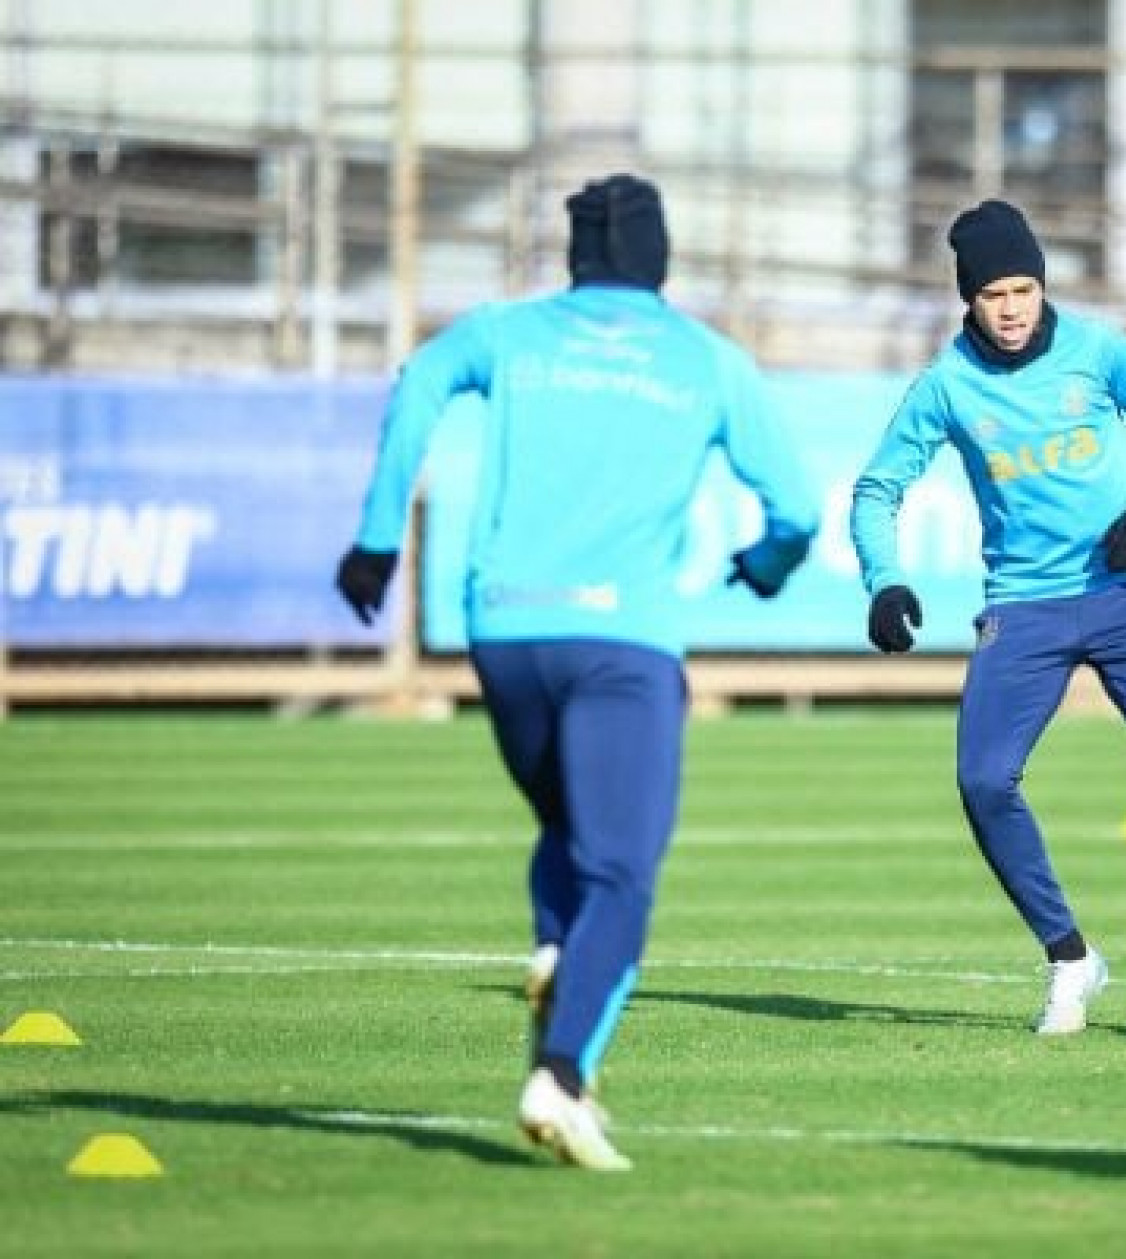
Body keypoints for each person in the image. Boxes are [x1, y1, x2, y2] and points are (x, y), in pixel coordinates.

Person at [334, 174, 819, 1170]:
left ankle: (557, 948)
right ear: (660, 256)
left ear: (575, 256)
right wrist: (766, 565)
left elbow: (418, 380)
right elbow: (799, 507)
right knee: (624, 870)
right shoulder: (705, 360)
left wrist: (379, 538)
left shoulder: (508, 333)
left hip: (503, 632)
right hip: (623, 642)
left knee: (567, 826)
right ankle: (558, 1074)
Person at [850, 199, 1126, 1038]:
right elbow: (876, 490)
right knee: (982, 779)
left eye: (1023, 288)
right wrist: (885, 580)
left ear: (1041, 285)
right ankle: (1070, 956)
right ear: (966, 299)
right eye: (992, 294)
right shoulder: (946, 385)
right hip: (1024, 604)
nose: (1010, 308)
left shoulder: (1097, 349)